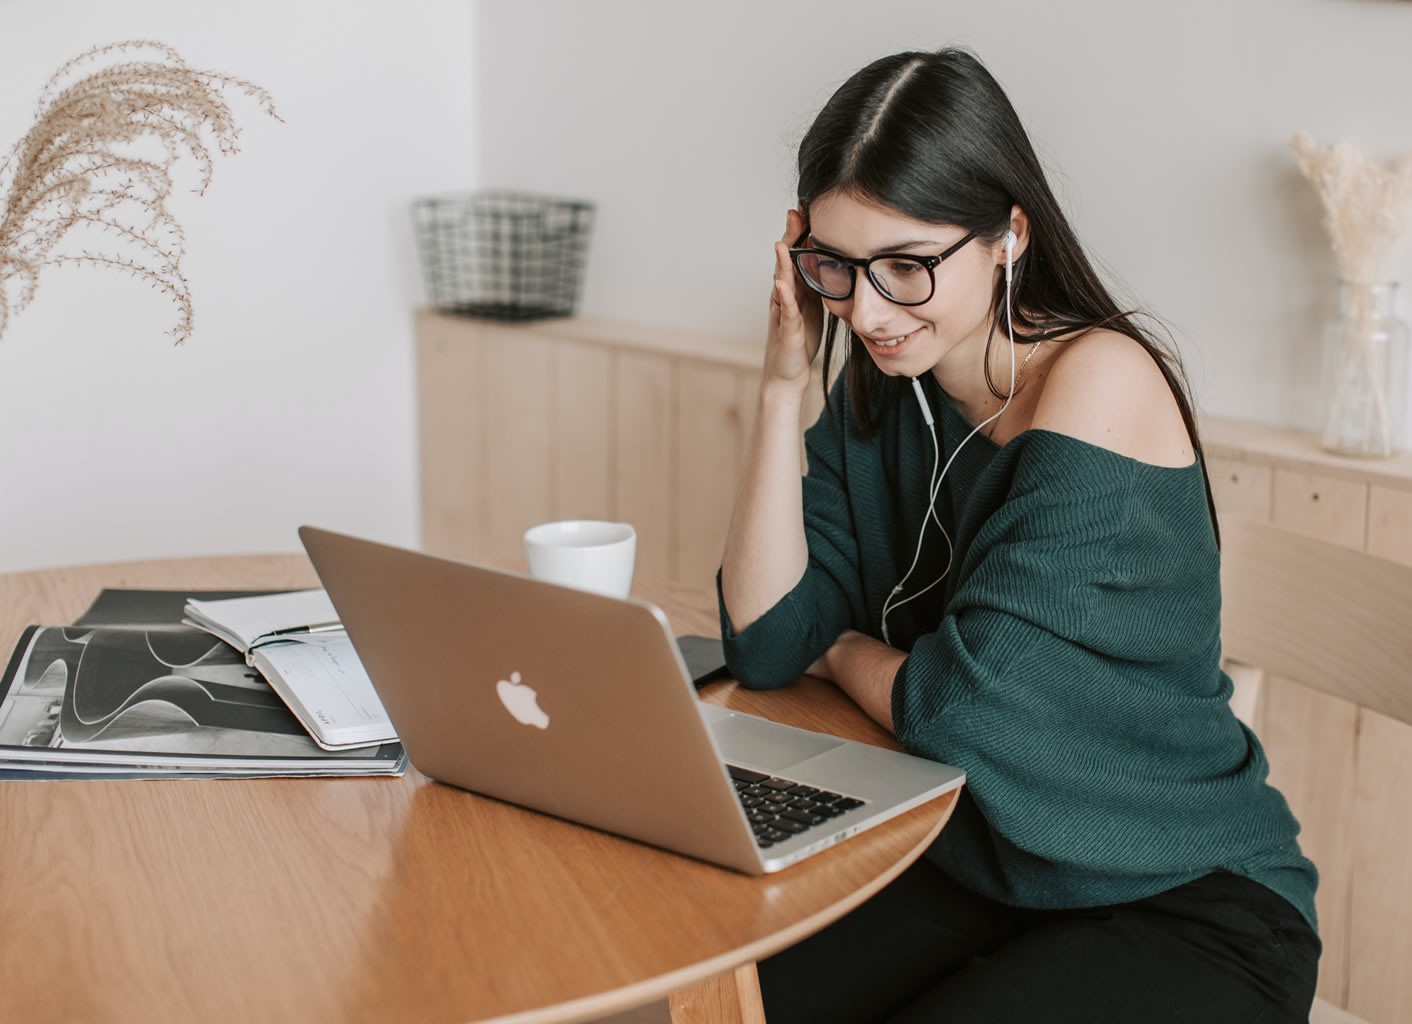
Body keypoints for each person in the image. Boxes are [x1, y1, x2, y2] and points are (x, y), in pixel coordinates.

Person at [717, 47, 1319, 1023]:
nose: (865, 310)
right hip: (979, 863)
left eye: (907, 265)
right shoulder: (890, 382)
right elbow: (765, 639)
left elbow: (960, 705)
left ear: (1008, 236)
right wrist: (782, 383)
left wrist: (840, 646)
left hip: (1185, 895)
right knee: (730, 992)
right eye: (835, 266)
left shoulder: (1098, 378)